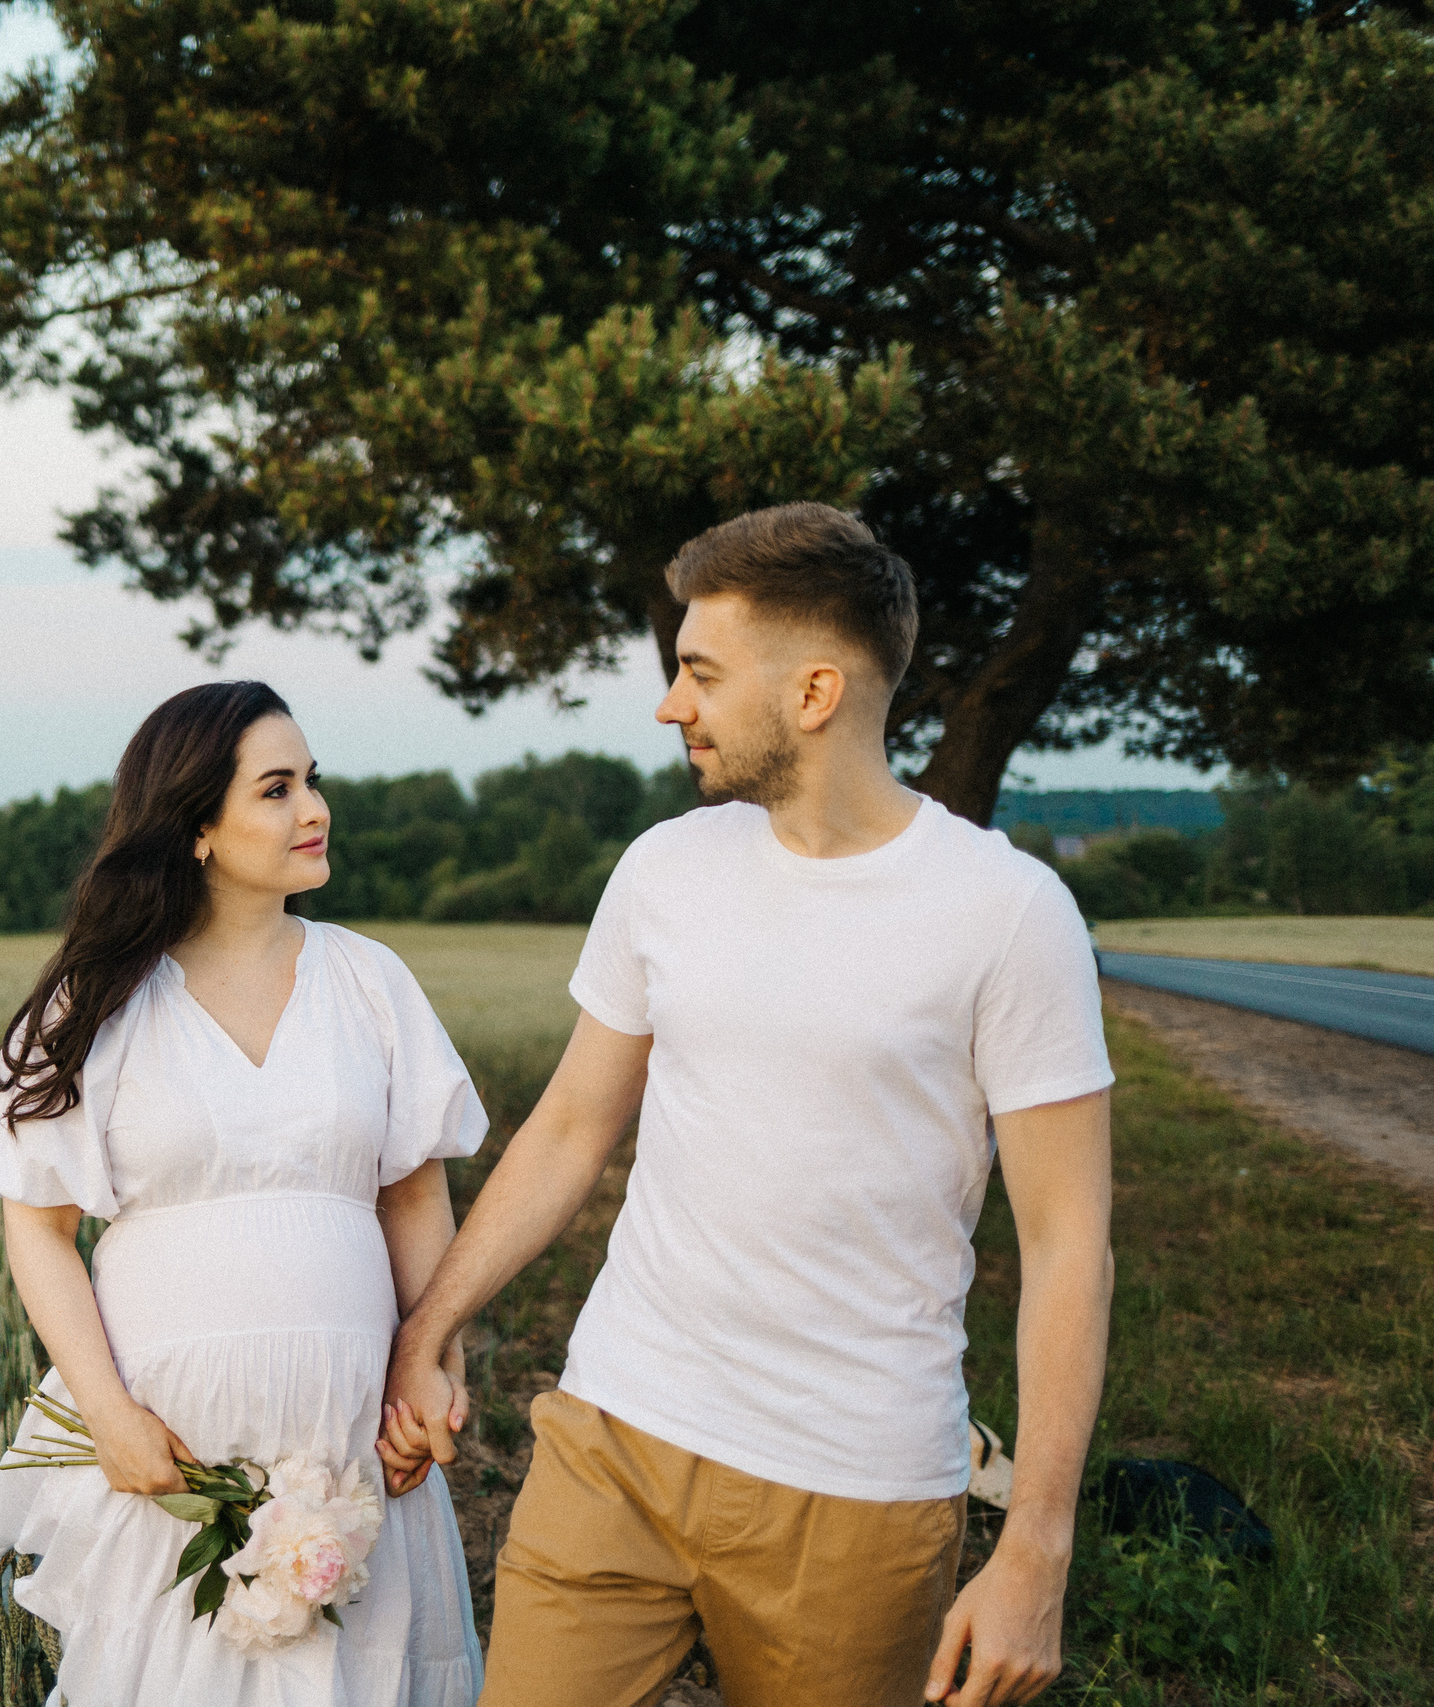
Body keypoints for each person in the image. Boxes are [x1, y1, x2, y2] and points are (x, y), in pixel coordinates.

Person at [379, 504, 1116, 1707]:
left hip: (856, 1491)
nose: (673, 704)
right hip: (614, 1436)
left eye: (700, 673)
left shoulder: (1010, 913)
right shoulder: (665, 870)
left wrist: (1036, 1545)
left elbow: (1067, 1248)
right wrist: (432, 1323)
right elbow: (570, 1126)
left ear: (814, 692)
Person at [0, 680, 490, 1707]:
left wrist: (434, 1363)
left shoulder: (369, 980)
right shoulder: (97, 997)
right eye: (276, 789)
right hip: (173, 1457)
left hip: (352, 1443)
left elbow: (414, 1199)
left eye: (313, 782)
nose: (314, 810)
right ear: (196, 824)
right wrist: (109, 1416)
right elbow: (40, 1231)